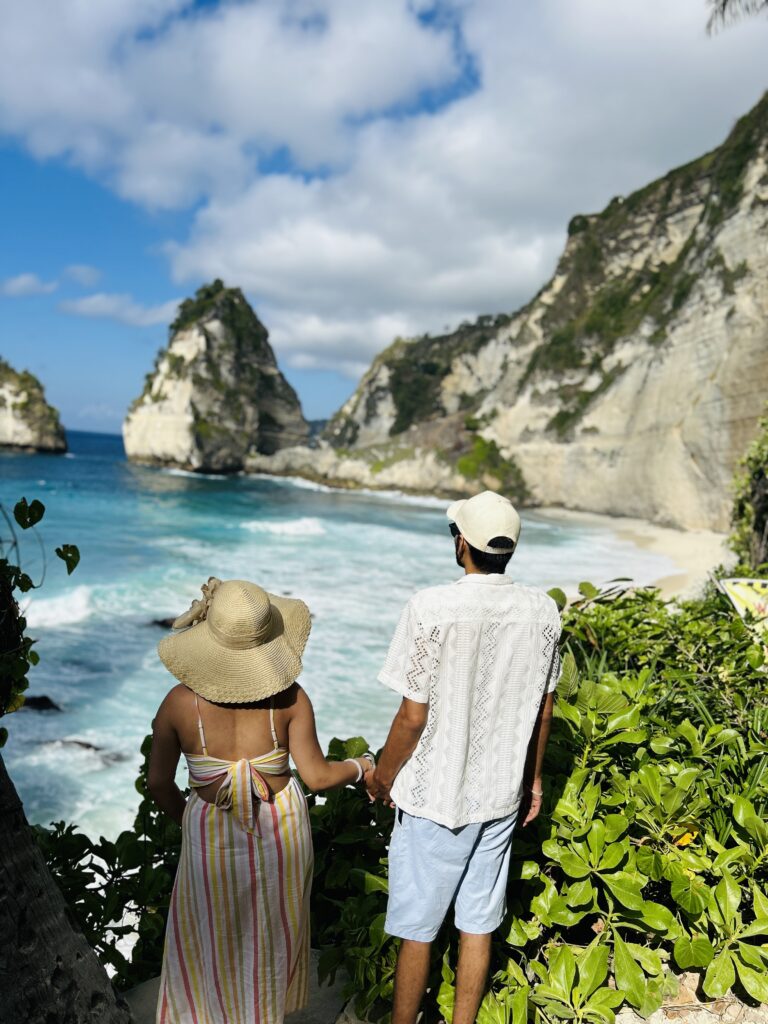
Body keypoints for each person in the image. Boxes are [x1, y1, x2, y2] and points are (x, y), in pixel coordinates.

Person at [367, 491, 561, 1024]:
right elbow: (544, 711)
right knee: (478, 923)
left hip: (434, 796)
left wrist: (382, 777)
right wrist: (534, 782)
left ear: (461, 545)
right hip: (500, 792)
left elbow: (411, 717)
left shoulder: (430, 607)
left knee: (416, 929)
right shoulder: (543, 611)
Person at [148, 577, 374, 1024]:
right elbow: (317, 776)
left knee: (208, 933)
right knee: (268, 935)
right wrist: (363, 766)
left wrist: (193, 822)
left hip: (209, 828)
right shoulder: (290, 698)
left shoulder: (177, 703)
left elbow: (158, 783)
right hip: (280, 827)